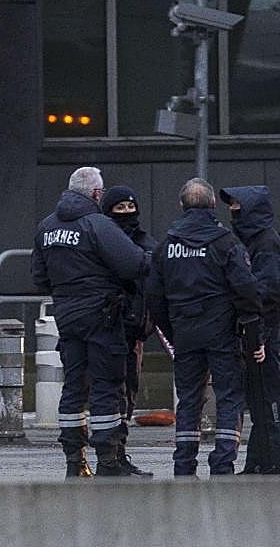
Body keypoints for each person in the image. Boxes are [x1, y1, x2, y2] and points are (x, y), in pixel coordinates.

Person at [31, 166, 150, 478]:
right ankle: (109, 460)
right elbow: (134, 263)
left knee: (73, 387)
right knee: (106, 387)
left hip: (67, 317)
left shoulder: (46, 227)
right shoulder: (98, 224)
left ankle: (74, 460)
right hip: (102, 316)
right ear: (98, 194)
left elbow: (39, 277)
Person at [146, 178, 263, 478]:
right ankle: (222, 464)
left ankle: (184, 465)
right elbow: (246, 290)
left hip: (185, 334)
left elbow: (154, 297)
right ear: (213, 205)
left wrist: (173, 331)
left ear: (182, 206)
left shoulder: (166, 246)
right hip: (222, 334)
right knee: (228, 396)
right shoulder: (226, 243)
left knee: (189, 399)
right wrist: (251, 332)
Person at [219, 185, 280, 474]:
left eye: (237, 206)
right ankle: (260, 459)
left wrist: (262, 336)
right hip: (259, 332)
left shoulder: (265, 243)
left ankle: (269, 459)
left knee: (267, 399)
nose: (232, 211)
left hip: (266, 333)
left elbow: (267, 291)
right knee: (260, 401)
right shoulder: (250, 240)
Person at [100, 185, 157, 476]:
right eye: (119, 208)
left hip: (135, 331)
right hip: (109, 329)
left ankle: (119, 451)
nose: (126, 213)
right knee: (110, 393)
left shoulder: (147, 243)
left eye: (129, 207)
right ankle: (110, 455)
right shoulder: (102, 241)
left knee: (128, 394)